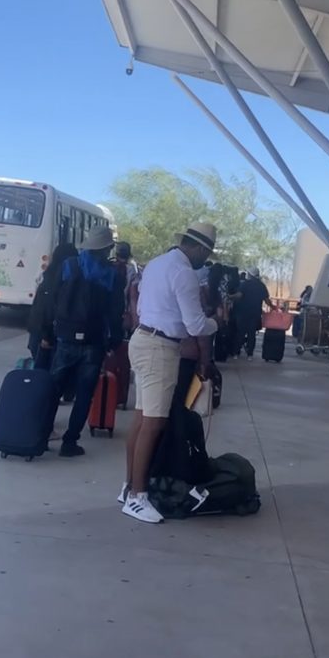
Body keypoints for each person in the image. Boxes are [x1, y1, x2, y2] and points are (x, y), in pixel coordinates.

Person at [122, 223, 218, 524]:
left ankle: (128, 487)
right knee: (154, 423)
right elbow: (195, 326)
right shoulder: (184, 273)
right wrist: (217, 323)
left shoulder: (158, 263)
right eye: (207, 253)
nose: (206, 259)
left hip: (142, 340)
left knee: (141, 420)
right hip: (160, 348)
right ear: (201, 249)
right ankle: (137, 497)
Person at [48, 226, 124, 457]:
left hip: (65, 338)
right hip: (94, 341)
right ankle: (70, 442)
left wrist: (51, 330)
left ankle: (41, 434)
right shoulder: (111, 274)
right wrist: (114, 340)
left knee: (53, 390)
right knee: (83, 394)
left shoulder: (69, 265)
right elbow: (115, 311)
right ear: (107, 248)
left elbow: (53, 298)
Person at [27, 242, 77, 370]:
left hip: (37, 331)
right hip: (48, 335)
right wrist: (47, 336)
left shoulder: (48, 275)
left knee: (40, 373)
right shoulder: (65, 277)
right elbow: (51, 308)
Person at [237, 266, 273, 360]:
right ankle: (250, 354)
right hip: (255, 313)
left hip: (243, 312)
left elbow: (239, 295)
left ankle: (236, 352)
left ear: (250, 275)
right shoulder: (261, 285)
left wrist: (229, 297)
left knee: (240, 332)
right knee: (251, 334)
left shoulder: (245, 284)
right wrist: (273, 307)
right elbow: (266, 300)